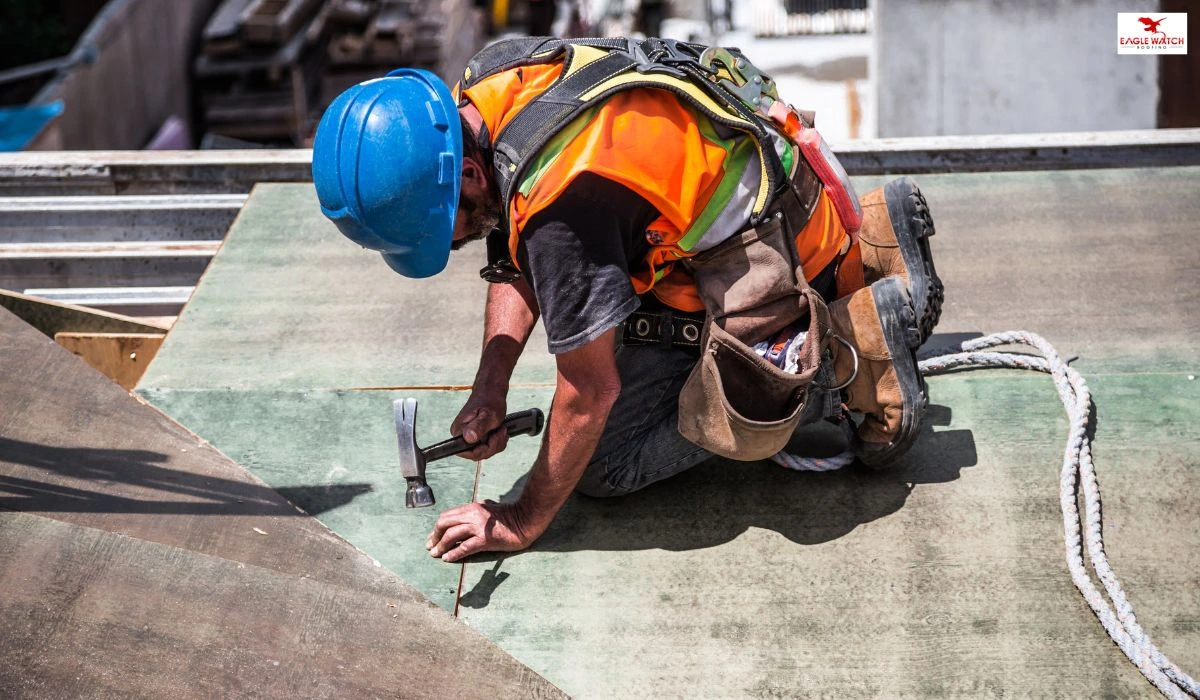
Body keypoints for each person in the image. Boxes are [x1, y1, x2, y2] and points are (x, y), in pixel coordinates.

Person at [312, 37, 943, 563]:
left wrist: (520, 518)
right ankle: (875, 242)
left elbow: (589, 393)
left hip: (774, 260)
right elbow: (513, 245)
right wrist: (491, 386)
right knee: (600, 323)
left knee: (606, 464)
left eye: (440, 231)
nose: (448, 248)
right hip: (782, 196)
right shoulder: (491, 84)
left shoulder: (563, 206)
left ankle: (848, 351)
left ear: (469, 175)